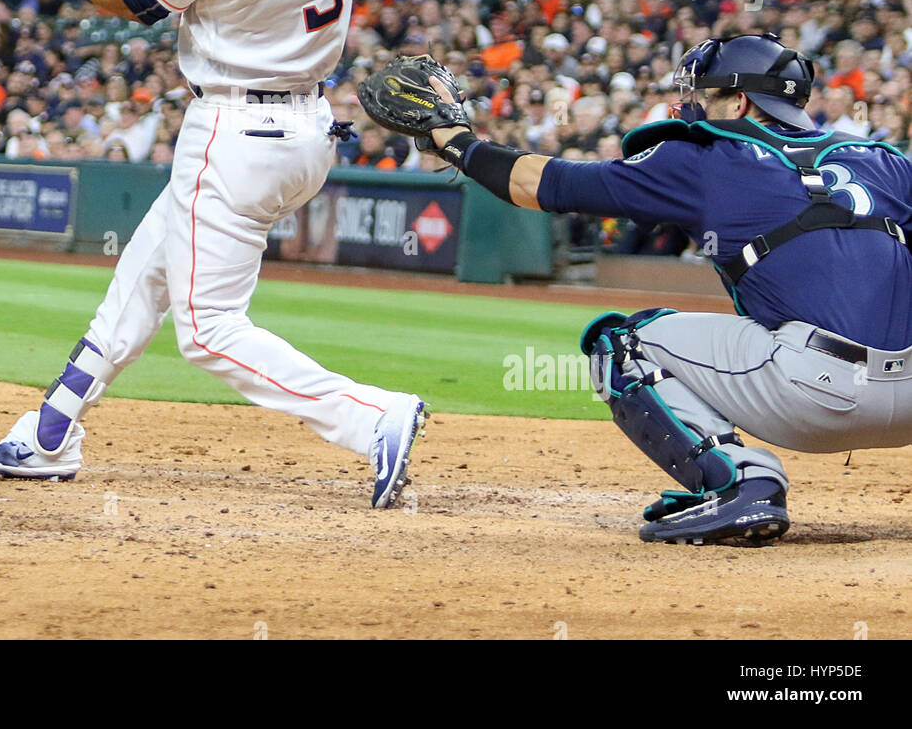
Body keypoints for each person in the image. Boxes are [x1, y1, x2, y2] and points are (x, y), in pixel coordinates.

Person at [0, 0, 426, 508]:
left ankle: (369, 418)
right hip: (304, 126)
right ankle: (50, 430)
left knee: (207, 332)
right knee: (144, 277)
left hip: (235, 134)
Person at [364, 36, 912, 544]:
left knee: (622, 343)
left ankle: (742, 483)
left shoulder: (702, 158)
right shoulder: (884, 162)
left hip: (815, 396)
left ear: (741, 103)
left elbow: (542, 183)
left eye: (706, 93)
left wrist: (456, 141)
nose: (694, 103)